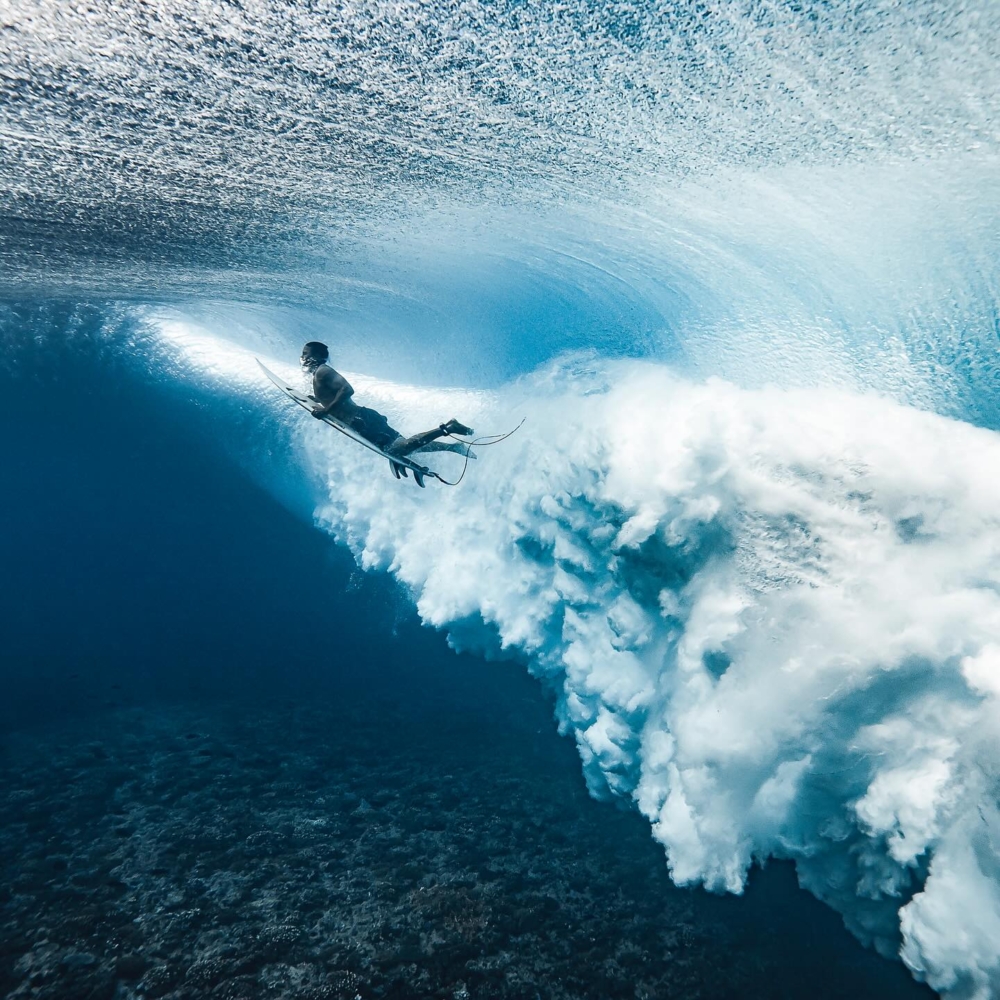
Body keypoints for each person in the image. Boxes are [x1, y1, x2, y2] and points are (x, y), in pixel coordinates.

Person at [300, 341, 474, 484]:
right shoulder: (319, 374)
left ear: (317, 356)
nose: (303, 357)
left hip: (361, 421)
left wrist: (326, 410)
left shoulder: (323, 371)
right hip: (362, 419)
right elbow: (334, 395)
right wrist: (320, 401)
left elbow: (347, 390)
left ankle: (448, 428)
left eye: (306, 353)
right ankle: (454, 447)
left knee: (399, 449)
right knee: (402, 446)